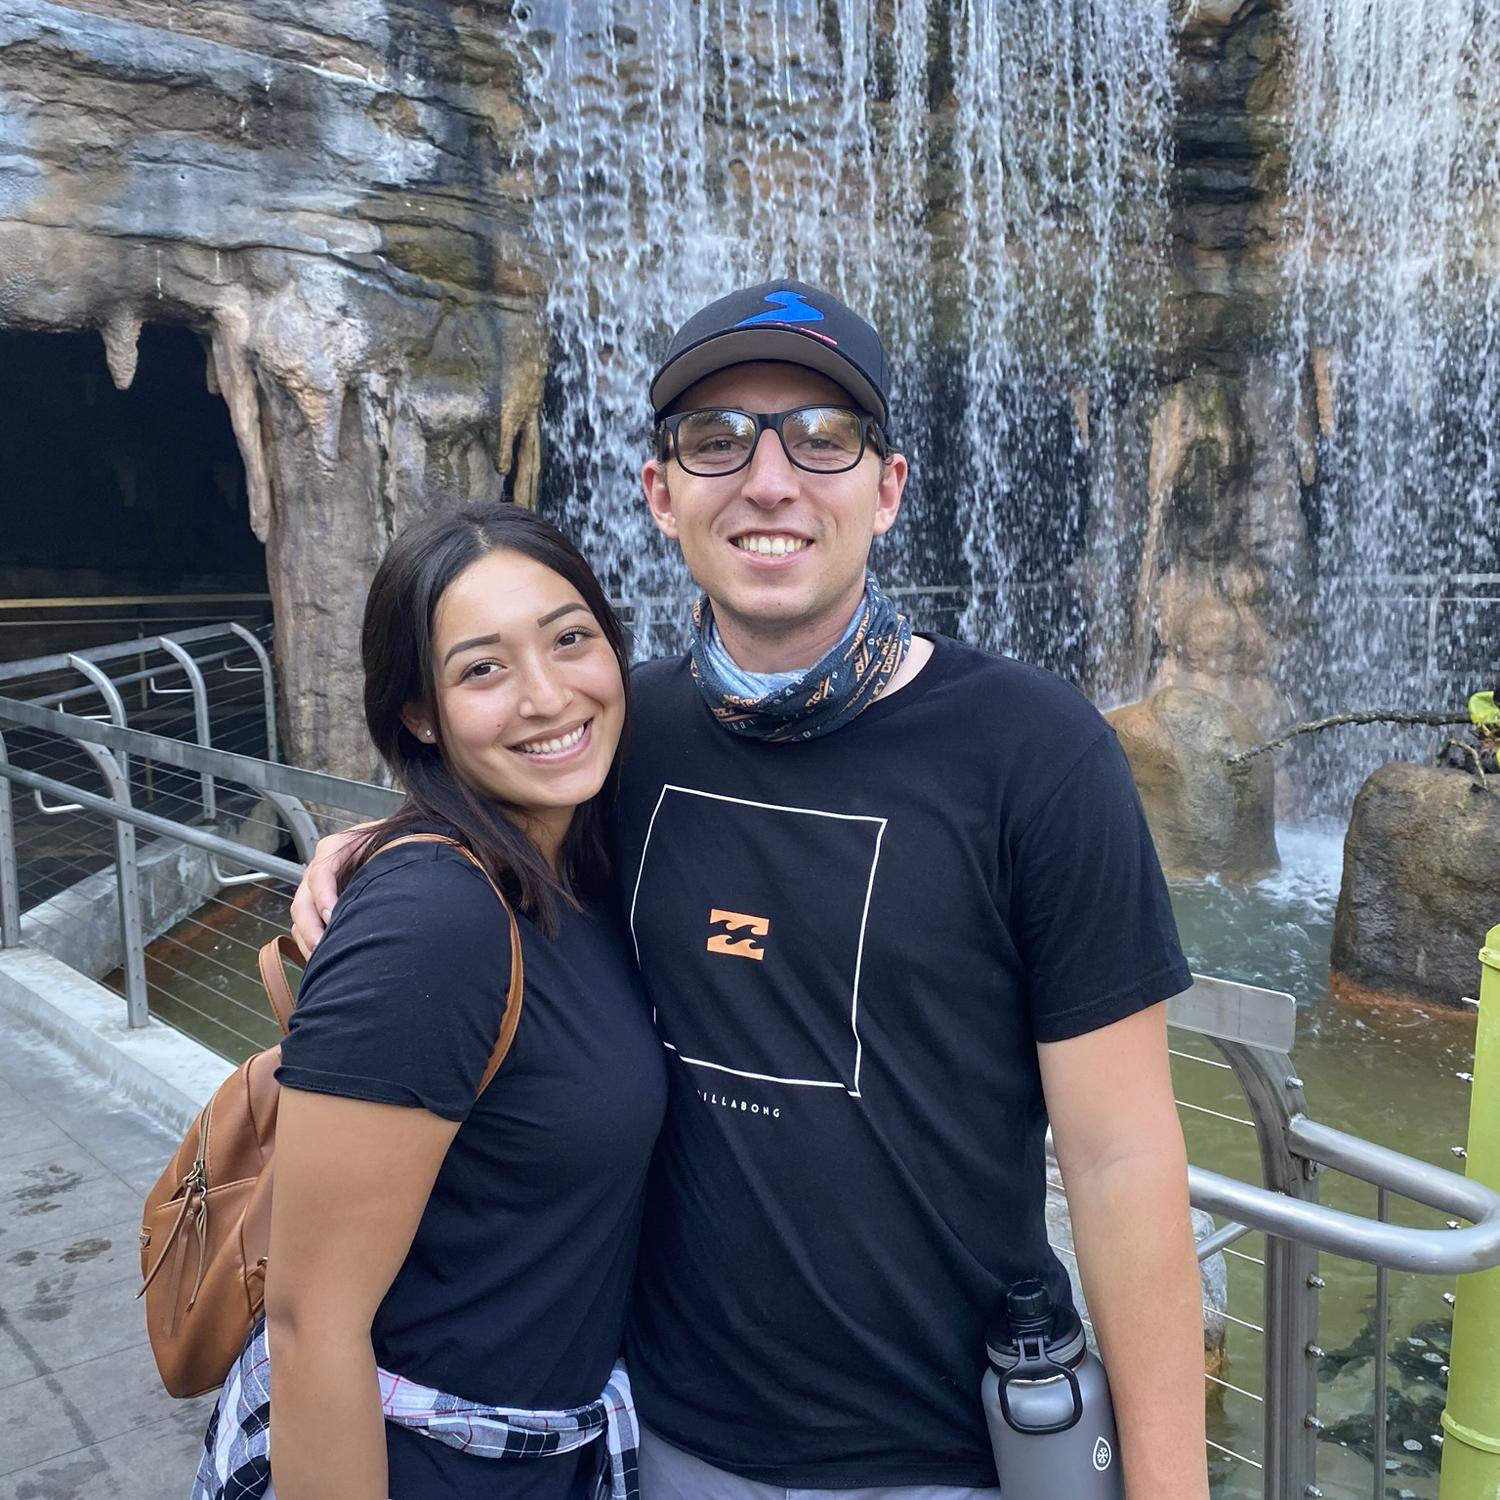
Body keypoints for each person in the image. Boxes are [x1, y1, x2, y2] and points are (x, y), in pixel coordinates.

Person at [294, 282, 1210, 1499]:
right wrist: (380, 847)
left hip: (946, 1454)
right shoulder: (616, 739)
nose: (769, 480)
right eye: (717, 438)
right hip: (663, 1438)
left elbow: (1122, 1157)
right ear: (659, 492)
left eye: (822, 436)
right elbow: (481, 856)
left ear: (888, 487)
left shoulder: (1038, 755)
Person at [205, 504, 665, 1500]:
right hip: (422, 1465)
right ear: (420, 714)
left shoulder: (579, 860)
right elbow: (311, 1321)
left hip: (551, 1450)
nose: (548, 695)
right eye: (483, 669)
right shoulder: (434, 920)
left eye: (570, 639)